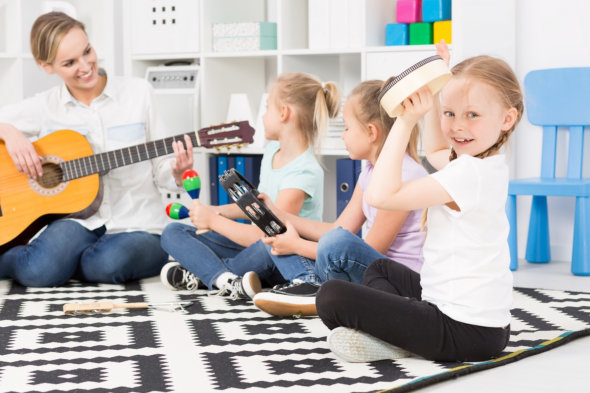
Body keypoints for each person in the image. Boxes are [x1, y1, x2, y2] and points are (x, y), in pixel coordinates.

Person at [316, 43, 524, 363]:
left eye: (472, 115)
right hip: (485, 327)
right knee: (379, 269)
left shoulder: (468, 173)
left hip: (463, 330)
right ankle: (399, 336)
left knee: (330, 297)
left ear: (507, 119)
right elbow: (438, 151)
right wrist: (435, 89)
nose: (457, 125)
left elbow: (380, 195)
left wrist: (405, 121)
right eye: (450, 114)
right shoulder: (484, 163)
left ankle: (396, 339)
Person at [0, 12, 194, 287]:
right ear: (47, 67)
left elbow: (162, 170)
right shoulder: (44, 107)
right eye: (69, 63)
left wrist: (178, 171)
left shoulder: (138, 93)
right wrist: (8, 131)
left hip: (136, 223)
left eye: (87, 51)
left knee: (105, 264)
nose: (85, 65)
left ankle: (68, 265)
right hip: (81, 222)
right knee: (38, 271)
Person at [251, 80, 428, 317]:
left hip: (399, 284)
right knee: (295, 235)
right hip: (372, 272)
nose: (343, 136)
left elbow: (369, 250)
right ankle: (313, 285)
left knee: (335, 243)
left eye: (346, 128)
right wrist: (281, 216)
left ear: (371, 132)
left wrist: (297, 245)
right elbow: (338, 228)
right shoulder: (370, 170)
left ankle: (314, 287)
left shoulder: (404, 175)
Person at [159, 72, 341, 299]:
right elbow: (254, 206)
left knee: (267, 244)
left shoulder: (304, 171)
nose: (263, 116)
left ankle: (207, 272)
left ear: (284, 113)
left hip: (276, 254)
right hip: (252, 250)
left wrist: (214, 221)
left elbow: (265, 234)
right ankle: (226, 279)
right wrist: (214, 211)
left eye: (267, 108)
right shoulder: (272, 151)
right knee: (172, 232)